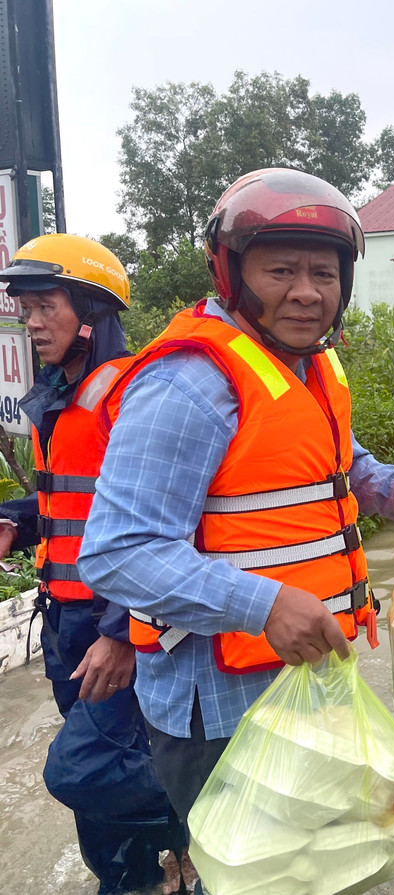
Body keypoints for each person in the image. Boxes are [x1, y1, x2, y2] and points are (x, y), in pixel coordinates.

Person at [76, 169, 394, 893]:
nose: (307, 292)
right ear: (231, 274)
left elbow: (341, 461)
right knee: (258, 880)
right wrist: (264, 603)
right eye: (281, 270)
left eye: (324, 273)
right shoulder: (189, 382)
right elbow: (118, 552)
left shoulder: (310, 364)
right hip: (222, 709)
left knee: (324, 871)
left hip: (307, 677)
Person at [0, 234, 188, 894]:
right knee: (99, 785)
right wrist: (17, 520)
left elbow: (165, 519)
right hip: (65, 623)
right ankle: (136, 877)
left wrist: (123, 632)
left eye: (45, 306)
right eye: (25, 308)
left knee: (81, 770)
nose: (32, 322)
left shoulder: (135, 393)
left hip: (116, 622)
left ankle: (197, 827)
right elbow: (76, 500)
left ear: (91, 311)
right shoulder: (60, 394)